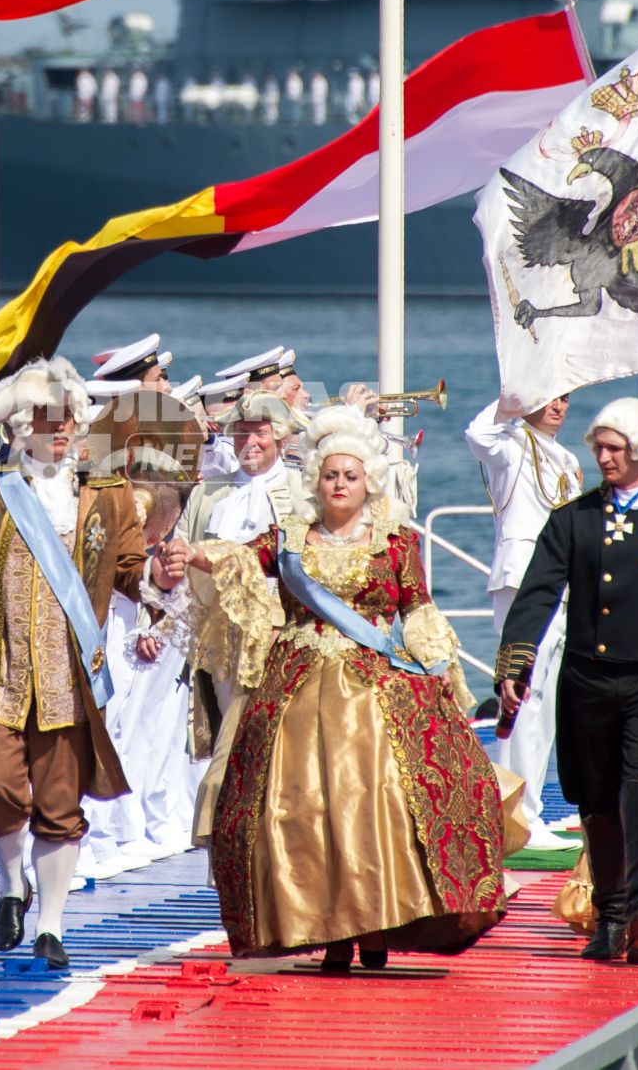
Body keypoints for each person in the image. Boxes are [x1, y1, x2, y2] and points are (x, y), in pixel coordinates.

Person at [198, 404, 508, 969]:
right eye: (330, 475)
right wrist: (194, 553)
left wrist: (435, 662)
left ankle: (376, 926)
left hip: (376, 685)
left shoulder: (392, 541)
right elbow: (241, 561)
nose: (339, 484)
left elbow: (415, 605)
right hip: (294, 686)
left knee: (378, 802)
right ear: (315, 480)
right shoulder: (292, 536)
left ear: (368, 483)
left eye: (350, 476)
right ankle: (330, 929)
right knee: (299, 810)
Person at [0, 357, 154, 969]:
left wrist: (158, 574)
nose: (61, 430)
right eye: (48, 419)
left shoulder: (106, 490)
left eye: (69, 419)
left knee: (59, 803)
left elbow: (128, 569)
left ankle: (50, 924)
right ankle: (10, 884)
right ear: (22, 425)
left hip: (69, 678)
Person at [500, 397, 638, 966]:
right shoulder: (573, 520)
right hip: (588, 679)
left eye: (614, 448)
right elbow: (536, 597)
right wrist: (515, 666)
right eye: (597, 447)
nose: (602, 456)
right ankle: (609, 915)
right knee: (596, 798)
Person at [175, 392, 310, 841]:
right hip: (221, 635)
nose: (251, 441)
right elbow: (178, 559)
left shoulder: (302, 490)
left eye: (262, 432)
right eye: (243, 431)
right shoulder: (207, 494)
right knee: (231, 741)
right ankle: (223, 837)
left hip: (286, 633)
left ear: (282, 438)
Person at [465, 392, 584, 851]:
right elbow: (478, 435)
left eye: (565, 398)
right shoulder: (512, 444)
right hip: (523, 579)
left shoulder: (568, 456)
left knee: (548, 700)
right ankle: (514, 815)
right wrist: (511, 399)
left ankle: (527, 809)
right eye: (548, 398)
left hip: (562, 583)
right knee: (523, 694)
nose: (558, 406)